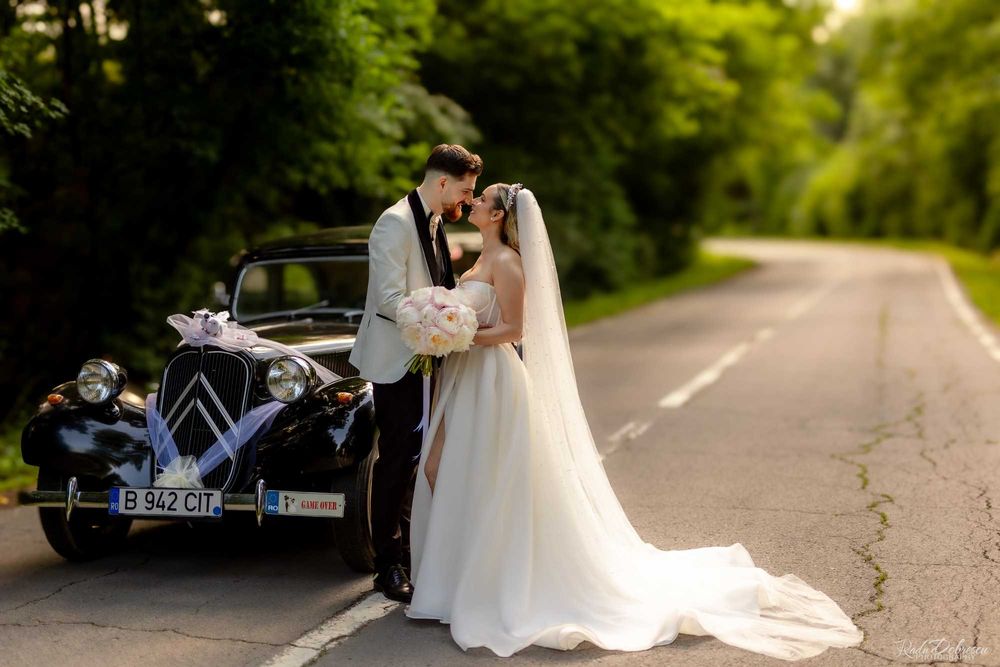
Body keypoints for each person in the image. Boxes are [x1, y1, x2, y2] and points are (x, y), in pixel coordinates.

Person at [404, 183, 864, 660]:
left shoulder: (508, 264)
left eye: (484, 200)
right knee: (444, 469)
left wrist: (460, 337)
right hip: (465, 381)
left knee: (486, 478)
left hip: (493, 381)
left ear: (498, 216)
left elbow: (517, 330)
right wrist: (445, 332)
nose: (474, 202)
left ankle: (490, 583)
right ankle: (456, 581)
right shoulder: (480, 260)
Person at [349, 144, 482, 602]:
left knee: (422, 458)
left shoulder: (436, 219)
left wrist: (450, 313)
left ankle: (415, 551)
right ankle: (386, 565)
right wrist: (436, 316)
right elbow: (387, 298)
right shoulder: (394, 223)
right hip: (397, 359)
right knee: (397, 460)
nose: (467, 200)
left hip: (430, 355)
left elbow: (437, 279)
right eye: (465, 191)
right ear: (442, 182)